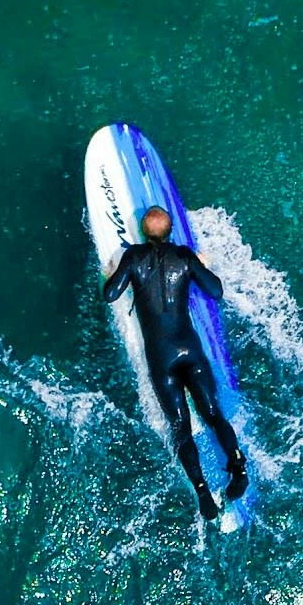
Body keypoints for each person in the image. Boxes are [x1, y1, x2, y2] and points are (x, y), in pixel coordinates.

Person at [104, 206, 249, 521]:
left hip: (163, 358)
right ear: (170, 233)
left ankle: (202, 493)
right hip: (190, 351)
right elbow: (216, 290)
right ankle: (237, 467)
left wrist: (110, 270)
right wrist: (201, 265)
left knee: (181, 428)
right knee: (212, 414)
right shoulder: (184, 257)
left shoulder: (133, 259)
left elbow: (110, 294)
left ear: (143, 233)